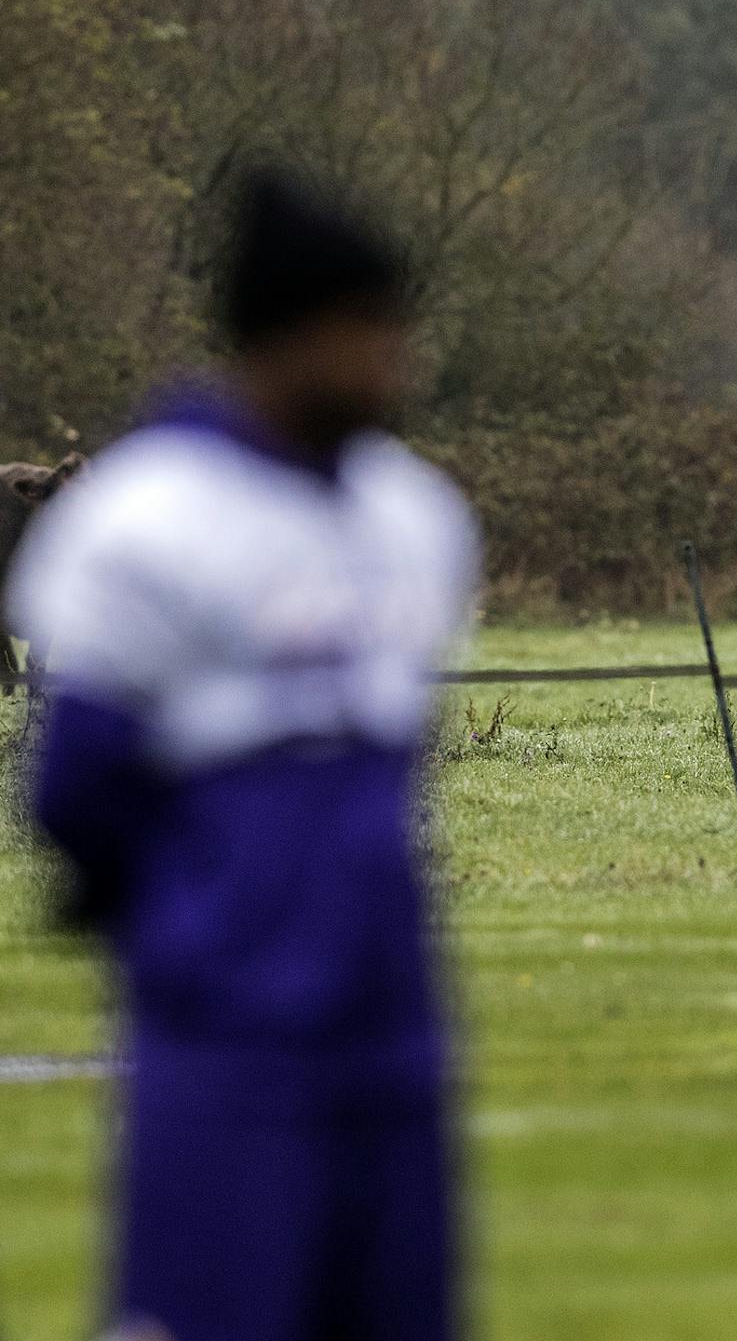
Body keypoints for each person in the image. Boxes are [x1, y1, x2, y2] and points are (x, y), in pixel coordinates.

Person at [9, 167, 480, 1341]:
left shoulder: (416, 519)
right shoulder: (143, 519)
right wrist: (206, 928)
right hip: (224, 1035)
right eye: (370, 330)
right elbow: (79, 790)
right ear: (288, 337)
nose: (397, 361)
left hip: (397, 1031)